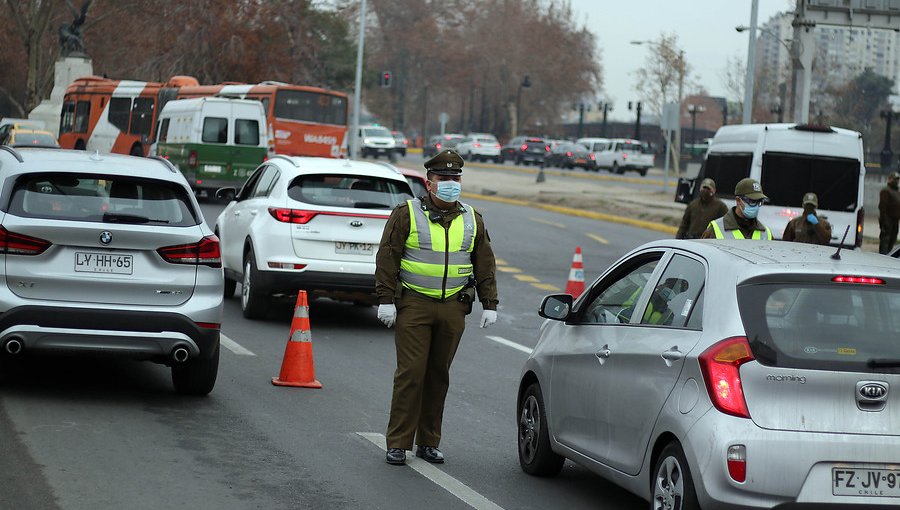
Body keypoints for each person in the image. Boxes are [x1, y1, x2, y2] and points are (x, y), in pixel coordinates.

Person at [374, 149, 499, 466]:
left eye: (455, 178)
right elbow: (387, 258)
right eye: (443, 178)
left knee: (438, 375)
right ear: (429, 183)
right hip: (414, 304)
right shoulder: (407, 214)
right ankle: (398, 442)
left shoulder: (472, 219)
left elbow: (484, 263)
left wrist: (490, 303)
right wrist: (386, 300)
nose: (450, 183)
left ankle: (429, 442)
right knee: (411, 374)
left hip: (454, 307)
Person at [701, 177, 773, 240]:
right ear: (738, 200)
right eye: (752, 201)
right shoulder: (716, 229)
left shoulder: (766, 234)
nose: (756, 206)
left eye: (759, 201)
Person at [879, 171, 900, 254]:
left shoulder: (897, 192)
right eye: (895, 179)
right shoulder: (886, 191)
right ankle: (883, 258)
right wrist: (883, 221)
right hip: (888, 219)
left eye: (898, 179)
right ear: (890, 179)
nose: (897, 181)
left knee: (892, 240)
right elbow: (882, 207)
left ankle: (888, 256)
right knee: (885, 241)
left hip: (895, 220)